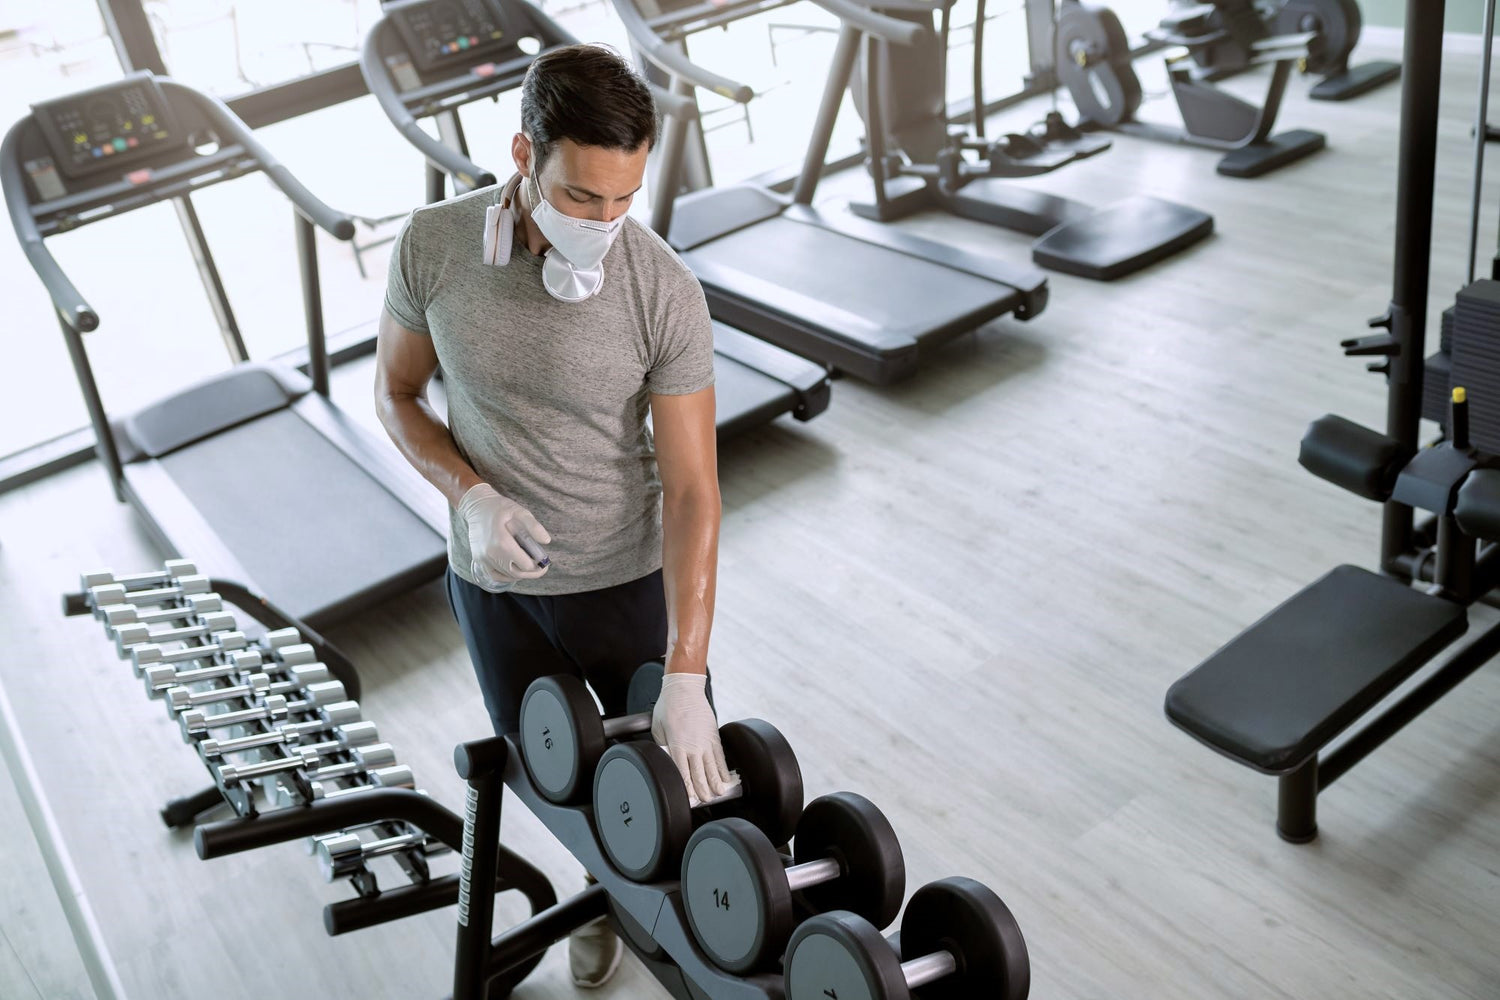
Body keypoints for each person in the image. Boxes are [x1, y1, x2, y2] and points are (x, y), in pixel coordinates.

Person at [373, 43, 733, 988]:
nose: (606, 224)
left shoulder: (663, 290)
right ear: (525, 158)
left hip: (624, 586)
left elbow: (696, 490)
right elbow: (399, 394)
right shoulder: (432, 246)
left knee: (673, 800)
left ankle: (668, 926)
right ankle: (595, 889)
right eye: (583, 198)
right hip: (495, 587)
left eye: (626, 199)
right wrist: (471, 496)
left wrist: (688, 672)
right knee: (553, 777)